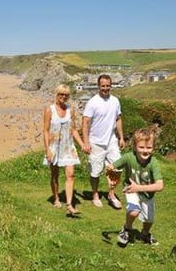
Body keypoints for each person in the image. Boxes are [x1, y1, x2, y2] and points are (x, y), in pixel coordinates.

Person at [108, 126, 164, 246]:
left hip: (147, 194)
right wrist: (110, 175)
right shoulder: (128, 157)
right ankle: (127, 229)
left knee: (149, 220)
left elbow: (160, 186)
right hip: (130, 189)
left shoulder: (153, 162)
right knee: (134, 211)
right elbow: (113, 167)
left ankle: (145, 233)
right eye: (141, 147)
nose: (145, 151)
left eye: (149, 148)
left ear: (153, 148)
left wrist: (139, 188)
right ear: (135, 146)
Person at [82, 74, 125, 209]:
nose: (105, 88)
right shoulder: (92, 102)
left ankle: (111, 194)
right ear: (98, 86)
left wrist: (121, 137)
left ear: (110, 86)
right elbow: (85, 123)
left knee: (118, 168)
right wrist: (86, 142)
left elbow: (118, 119)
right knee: (95, 172)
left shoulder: (115, 101)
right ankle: (95, 195)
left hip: (111, 141)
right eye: (103, 86)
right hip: (95, 142)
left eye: (107, 86)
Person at [43, 84, 84, 215]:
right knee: (54, 175)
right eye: (61, 94)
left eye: (66, 95)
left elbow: (74, 130)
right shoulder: (49, 110)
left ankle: (69, 205)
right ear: (56, 94)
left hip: (68, 146)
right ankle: (55, 198)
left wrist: (82, 144)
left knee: (70, 174)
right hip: (54, 146)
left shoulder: (70, 110)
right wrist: (47, 149)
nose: (63, 96)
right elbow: (45, 130)